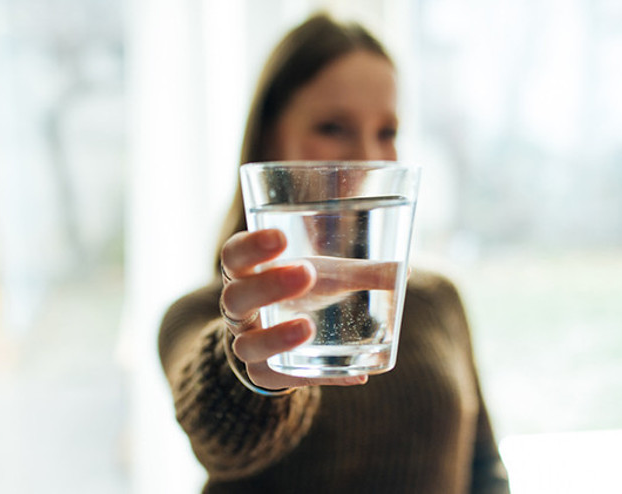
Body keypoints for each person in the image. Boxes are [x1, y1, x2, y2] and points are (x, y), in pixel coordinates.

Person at [158, 12, 510, 493]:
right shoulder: (196, 317)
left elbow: (484, 472)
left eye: (386, 131)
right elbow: (220, 439)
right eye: (333, 127)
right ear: (268, 140)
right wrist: (254, 368)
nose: (367, 156)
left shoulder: (435, 301)